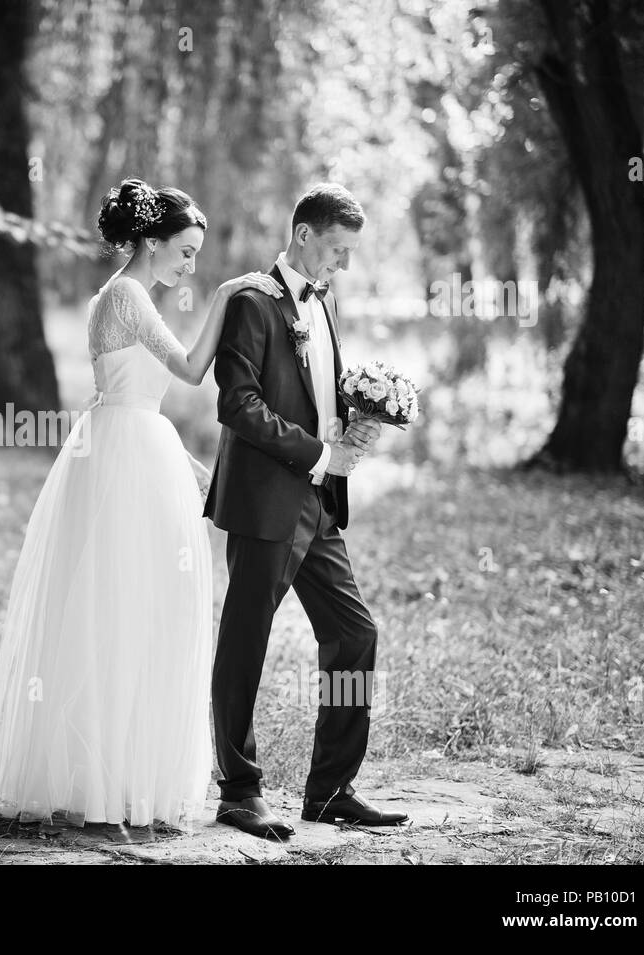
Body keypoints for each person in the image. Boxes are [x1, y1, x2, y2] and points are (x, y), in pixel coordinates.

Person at [0, 178, 282, 827]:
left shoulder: (114, 294)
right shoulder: (131, 294)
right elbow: (193, 370)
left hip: (129, 444)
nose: (191, 265)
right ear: (152, 241)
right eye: (186, 251)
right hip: (127, 454)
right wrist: (228, 296)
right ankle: (111, 778)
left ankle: (109, 773)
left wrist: (187, 464)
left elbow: (128, 395)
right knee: (127, 606)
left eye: (197, 257)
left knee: (122, 605)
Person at [203, 182, 408, 839]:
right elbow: (238, 403)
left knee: (354, 634)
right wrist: (319, 452)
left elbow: (313, 393)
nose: (342, 264)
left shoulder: (321, 305)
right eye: (337, 250)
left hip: (318, 506)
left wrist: (362, 418)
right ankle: (239, 790)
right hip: (266, 500)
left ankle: (330, 790)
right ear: (304, 236)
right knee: (245, 643)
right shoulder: (252, 304)